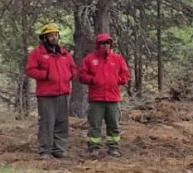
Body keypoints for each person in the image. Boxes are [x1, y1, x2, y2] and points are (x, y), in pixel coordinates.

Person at [25, 23, 77, 159]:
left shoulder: (64, 53)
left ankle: (59, 149)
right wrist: (46, 75)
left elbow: (73, 68)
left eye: (56, 35)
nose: (54, 38)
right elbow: (30, 70)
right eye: (50, 35)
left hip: (63, 93)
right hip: (46, 95)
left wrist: (68, 76)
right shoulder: (37, 53)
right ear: (44, 38)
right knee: (47, 123)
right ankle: (45, 150)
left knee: (62, 123)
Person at [78, 33, 130, 158]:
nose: (105, 45)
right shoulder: (90, 59)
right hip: (96, 98)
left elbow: (126, 75)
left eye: (107, 43)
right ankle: (93, 148)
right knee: (94, 125)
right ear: (98, 45)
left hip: (113, 98)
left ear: (110, 44)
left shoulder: (117, 59)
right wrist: (92, 79)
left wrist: (118, 80)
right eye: (102, 43)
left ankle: (114, 148)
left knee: (113, 124)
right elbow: (82, 75)